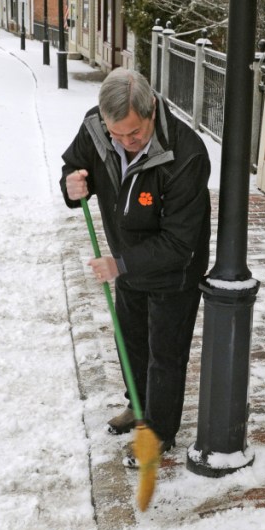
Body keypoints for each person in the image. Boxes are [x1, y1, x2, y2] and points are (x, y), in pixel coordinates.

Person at [60, 69, 211, 462]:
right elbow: (75, 165)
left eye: (135, 135)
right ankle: (139, 407)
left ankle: (159, 432)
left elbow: (180, 242)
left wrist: (120, 264)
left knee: (165, 352)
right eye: (117, 135)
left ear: (152, 111)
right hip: (125, 261)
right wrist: (71, 185)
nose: (125, 143)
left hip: (174, 271)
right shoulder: (97, 128)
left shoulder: (186, 154)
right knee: (132, 342)